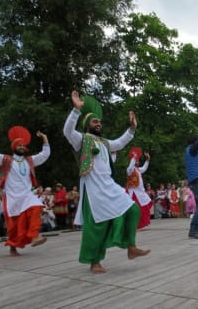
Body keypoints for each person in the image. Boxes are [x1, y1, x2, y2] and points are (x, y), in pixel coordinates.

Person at [63, 90, 150, 274]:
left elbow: (120, 142)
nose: (99, 124)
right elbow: (67, 131)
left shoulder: (104, 142)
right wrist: (76, 111)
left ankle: (131, 247)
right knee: (97, 225)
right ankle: (94, 261)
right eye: (95, 121)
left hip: (109, 185)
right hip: (93, 188)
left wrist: (132, 129)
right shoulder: (82, 139)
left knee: (133, 209)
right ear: (87, 124)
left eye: (100, 122)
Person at [0, 126, 50, 256]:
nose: (21, 147)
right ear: (14, 147)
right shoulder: (6, 159)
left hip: (26, 195)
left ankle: (34, 236)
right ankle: (13, 247)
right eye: (18, 145)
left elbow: (44, 155)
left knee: (36, 207)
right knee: (14, 226)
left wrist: (45, 139)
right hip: (12, 196)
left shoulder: (29, 161)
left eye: (23, 145)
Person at [126, 147, 152, 229]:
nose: (137, 161)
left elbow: (144, 168)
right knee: (137, 210)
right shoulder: (129, 170)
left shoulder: (137, 170)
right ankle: (135, 225)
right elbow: (130, 167)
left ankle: (139, 225)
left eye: (137, 160)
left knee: (144, 206)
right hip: (134, 194)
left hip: (140, 193)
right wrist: (134, 157)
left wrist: (147, 160)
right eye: (136, 160)